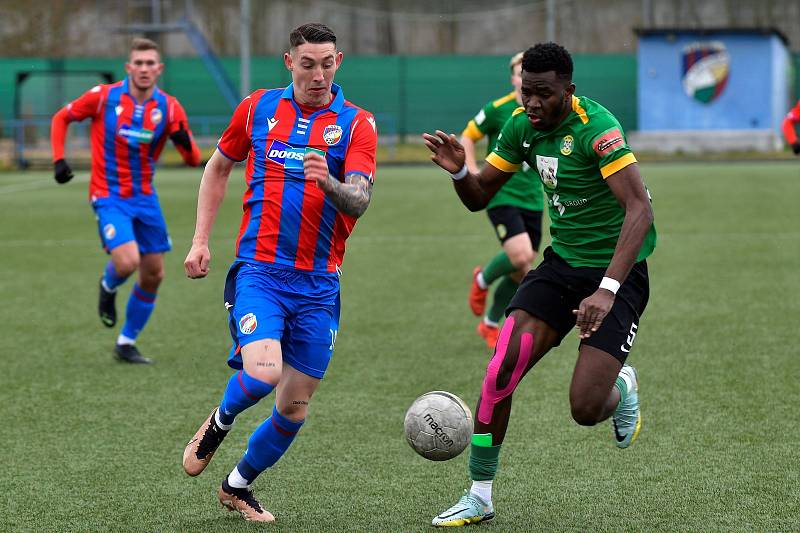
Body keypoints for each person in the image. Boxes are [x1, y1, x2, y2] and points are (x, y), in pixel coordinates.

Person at [422, 42, 656, 527]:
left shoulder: (599, 130)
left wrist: (607, 290)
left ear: (568, 91)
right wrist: (462, 170)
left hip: (618, 271)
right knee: (500, 369)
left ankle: (620, 386)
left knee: (586, 409)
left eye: (543, 94)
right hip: (561, 267)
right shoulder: (520, 126)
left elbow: (640, 210)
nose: (532, 103)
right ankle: (480, 495)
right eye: (526, 92)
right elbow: (479, 195)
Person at [181, 23, 377, 522]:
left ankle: (237, 486)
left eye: (327, 63)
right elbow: (218, 167)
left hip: (319, 284)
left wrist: (327, 181)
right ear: (288, 62)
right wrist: (200, 240)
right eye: (307, 63)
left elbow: (360, 199)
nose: (318, 74)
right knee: (264, 373)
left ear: (339, 62)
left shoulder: (356, 124)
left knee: (294, 407)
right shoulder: (257, 107)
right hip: (260, 273)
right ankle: (220, 421)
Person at [50, 38, 201, 364]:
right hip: (108, 194)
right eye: (139, 63)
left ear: (159, 69)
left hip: (145, 197)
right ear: (128, 67)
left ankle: (126, 342)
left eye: (151, 64)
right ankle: (108, 285)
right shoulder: (103, 97)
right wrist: (59, 159)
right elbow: (61, 118)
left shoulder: (170, 107)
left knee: (154, 274)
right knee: (127, 262)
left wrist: (183, 140)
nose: (145, 69)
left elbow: (193, 159)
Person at [460, 51, 544, 349]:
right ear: (514, 79)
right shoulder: (497, 109)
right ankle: (482, 279)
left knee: (523, 271)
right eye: (521, 75)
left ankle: (490, 323)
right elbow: (467, 136)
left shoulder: (545, 111)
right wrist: (471, 171)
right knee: (521, 256)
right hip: (500, 193)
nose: (526, 80)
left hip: (534, 198)